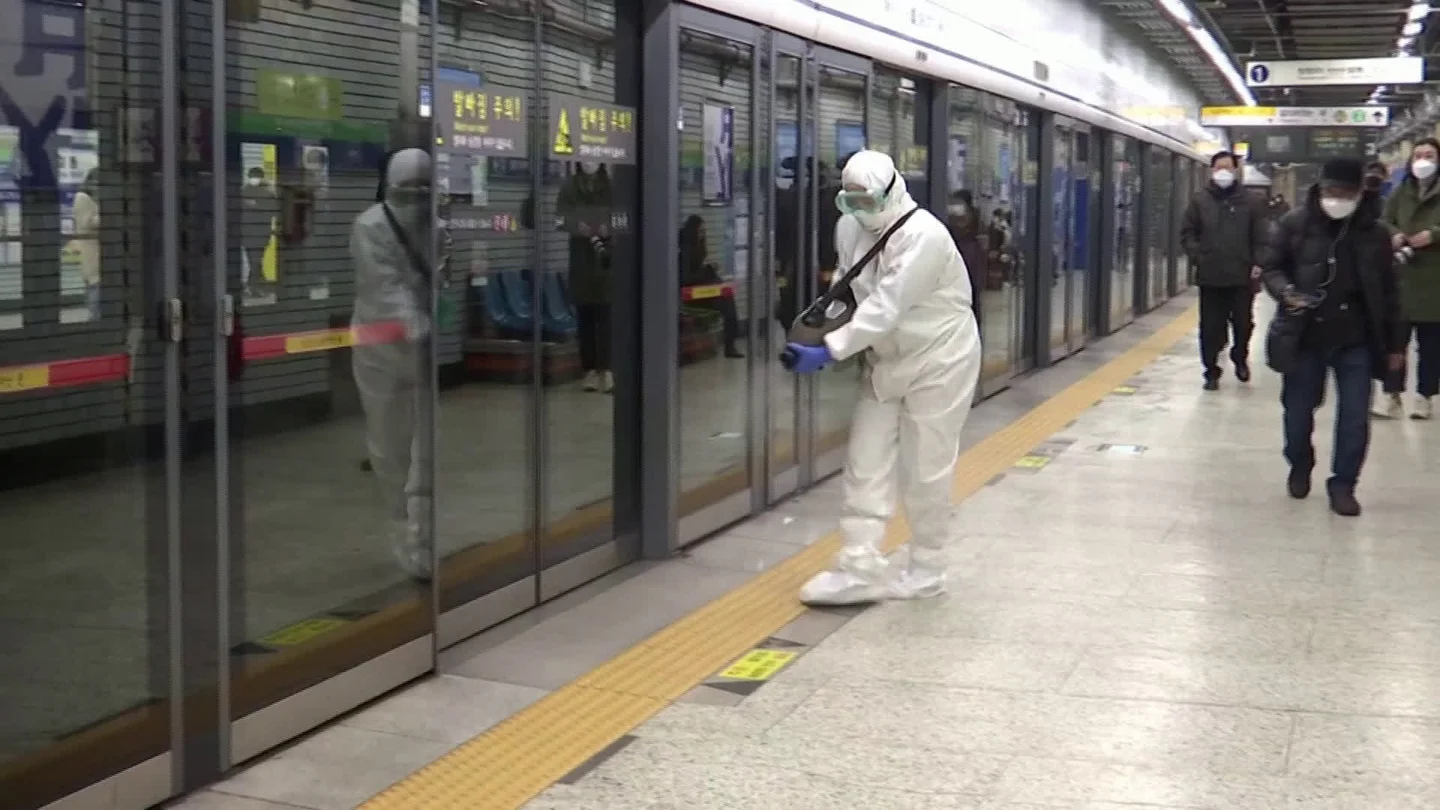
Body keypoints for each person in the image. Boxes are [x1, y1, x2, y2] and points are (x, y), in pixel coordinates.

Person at [782, 150, 982, 604]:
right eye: (849, 200)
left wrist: (830, 350)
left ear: (892, 190)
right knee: (864, 460)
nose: (859, 209)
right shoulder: (849, 227)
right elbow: (850, 290)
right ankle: (859, 564)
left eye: (866, 199)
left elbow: (887, 306)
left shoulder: (925, 236)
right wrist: (822, 328)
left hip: (940, 357)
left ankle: (928, 566)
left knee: (925, 468)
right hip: (885, 360)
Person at [1261, 157, 1404, 517]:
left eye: (1344, 192)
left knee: (1355, 417)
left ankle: (1343, 485)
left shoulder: (1376, 234)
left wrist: (1396, 346)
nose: (1336, 198)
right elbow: (1272, 268)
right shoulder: (1295, 224)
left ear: (1359, 193)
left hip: (1356, 339)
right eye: (1330, 191)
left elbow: (1391, 294)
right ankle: (1300, 461)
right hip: (1304, 335)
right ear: (1319, 189)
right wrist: (1287, 292)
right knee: (1296, 414)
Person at [352, 147, 435, 578]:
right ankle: (400, 526)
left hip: (420, 354)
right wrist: (411, 320)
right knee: (389, 446)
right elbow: (381, 284)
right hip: (379, 352)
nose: (417, 197)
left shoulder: (435, 226)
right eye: (409, 187)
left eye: (425, 188)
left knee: (424, 450)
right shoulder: (369, 226)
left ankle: (420, 537)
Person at [1180, 151, 1269, 390]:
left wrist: (1258, 262)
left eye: (1227, 168)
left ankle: (1239, 356)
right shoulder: (1200, 201)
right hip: (1211, 276)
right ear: (1211, 170)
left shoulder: (1252, 202)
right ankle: (1211, 370)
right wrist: (1199, 255)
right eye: (1218, 168)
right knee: (1210, 327)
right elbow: (1188, 232)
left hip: (1242, 276)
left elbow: (1262, 235)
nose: (1223, 173)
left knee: (1243, 323)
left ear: (1236, 170)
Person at [1375, 139, 1440, 421]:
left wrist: (1434, 235)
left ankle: (1425, 396)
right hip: (1400, 276)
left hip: (1434, 279)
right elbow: (1385, 220)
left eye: (1429, 155)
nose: (1423, 160)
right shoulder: (1400, 192)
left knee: (1431, 345)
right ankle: (1391, 395)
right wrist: (1394, 234)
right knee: (1395, 343)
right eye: (1418, 155)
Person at [558, 162, 614, 393]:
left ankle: (608, 369)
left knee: (607, 319)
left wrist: (609, 229)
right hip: (581, 261)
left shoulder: (612, 188)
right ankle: (589, 370)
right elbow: (559, 219)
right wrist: (575, 225)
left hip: (605, 261)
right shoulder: (569, 187)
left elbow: (624, 218)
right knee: (586, 321)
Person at [679, 215, 743, 358]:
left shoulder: (697, 247)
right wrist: (708, 270)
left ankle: (730, 343)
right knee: (727, 304)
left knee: (728, 299)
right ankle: (730, 345)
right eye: (700, 231)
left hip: (700, 290)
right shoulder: (685, 250)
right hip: (691, 294)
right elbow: (687, 278)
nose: (702, 235)